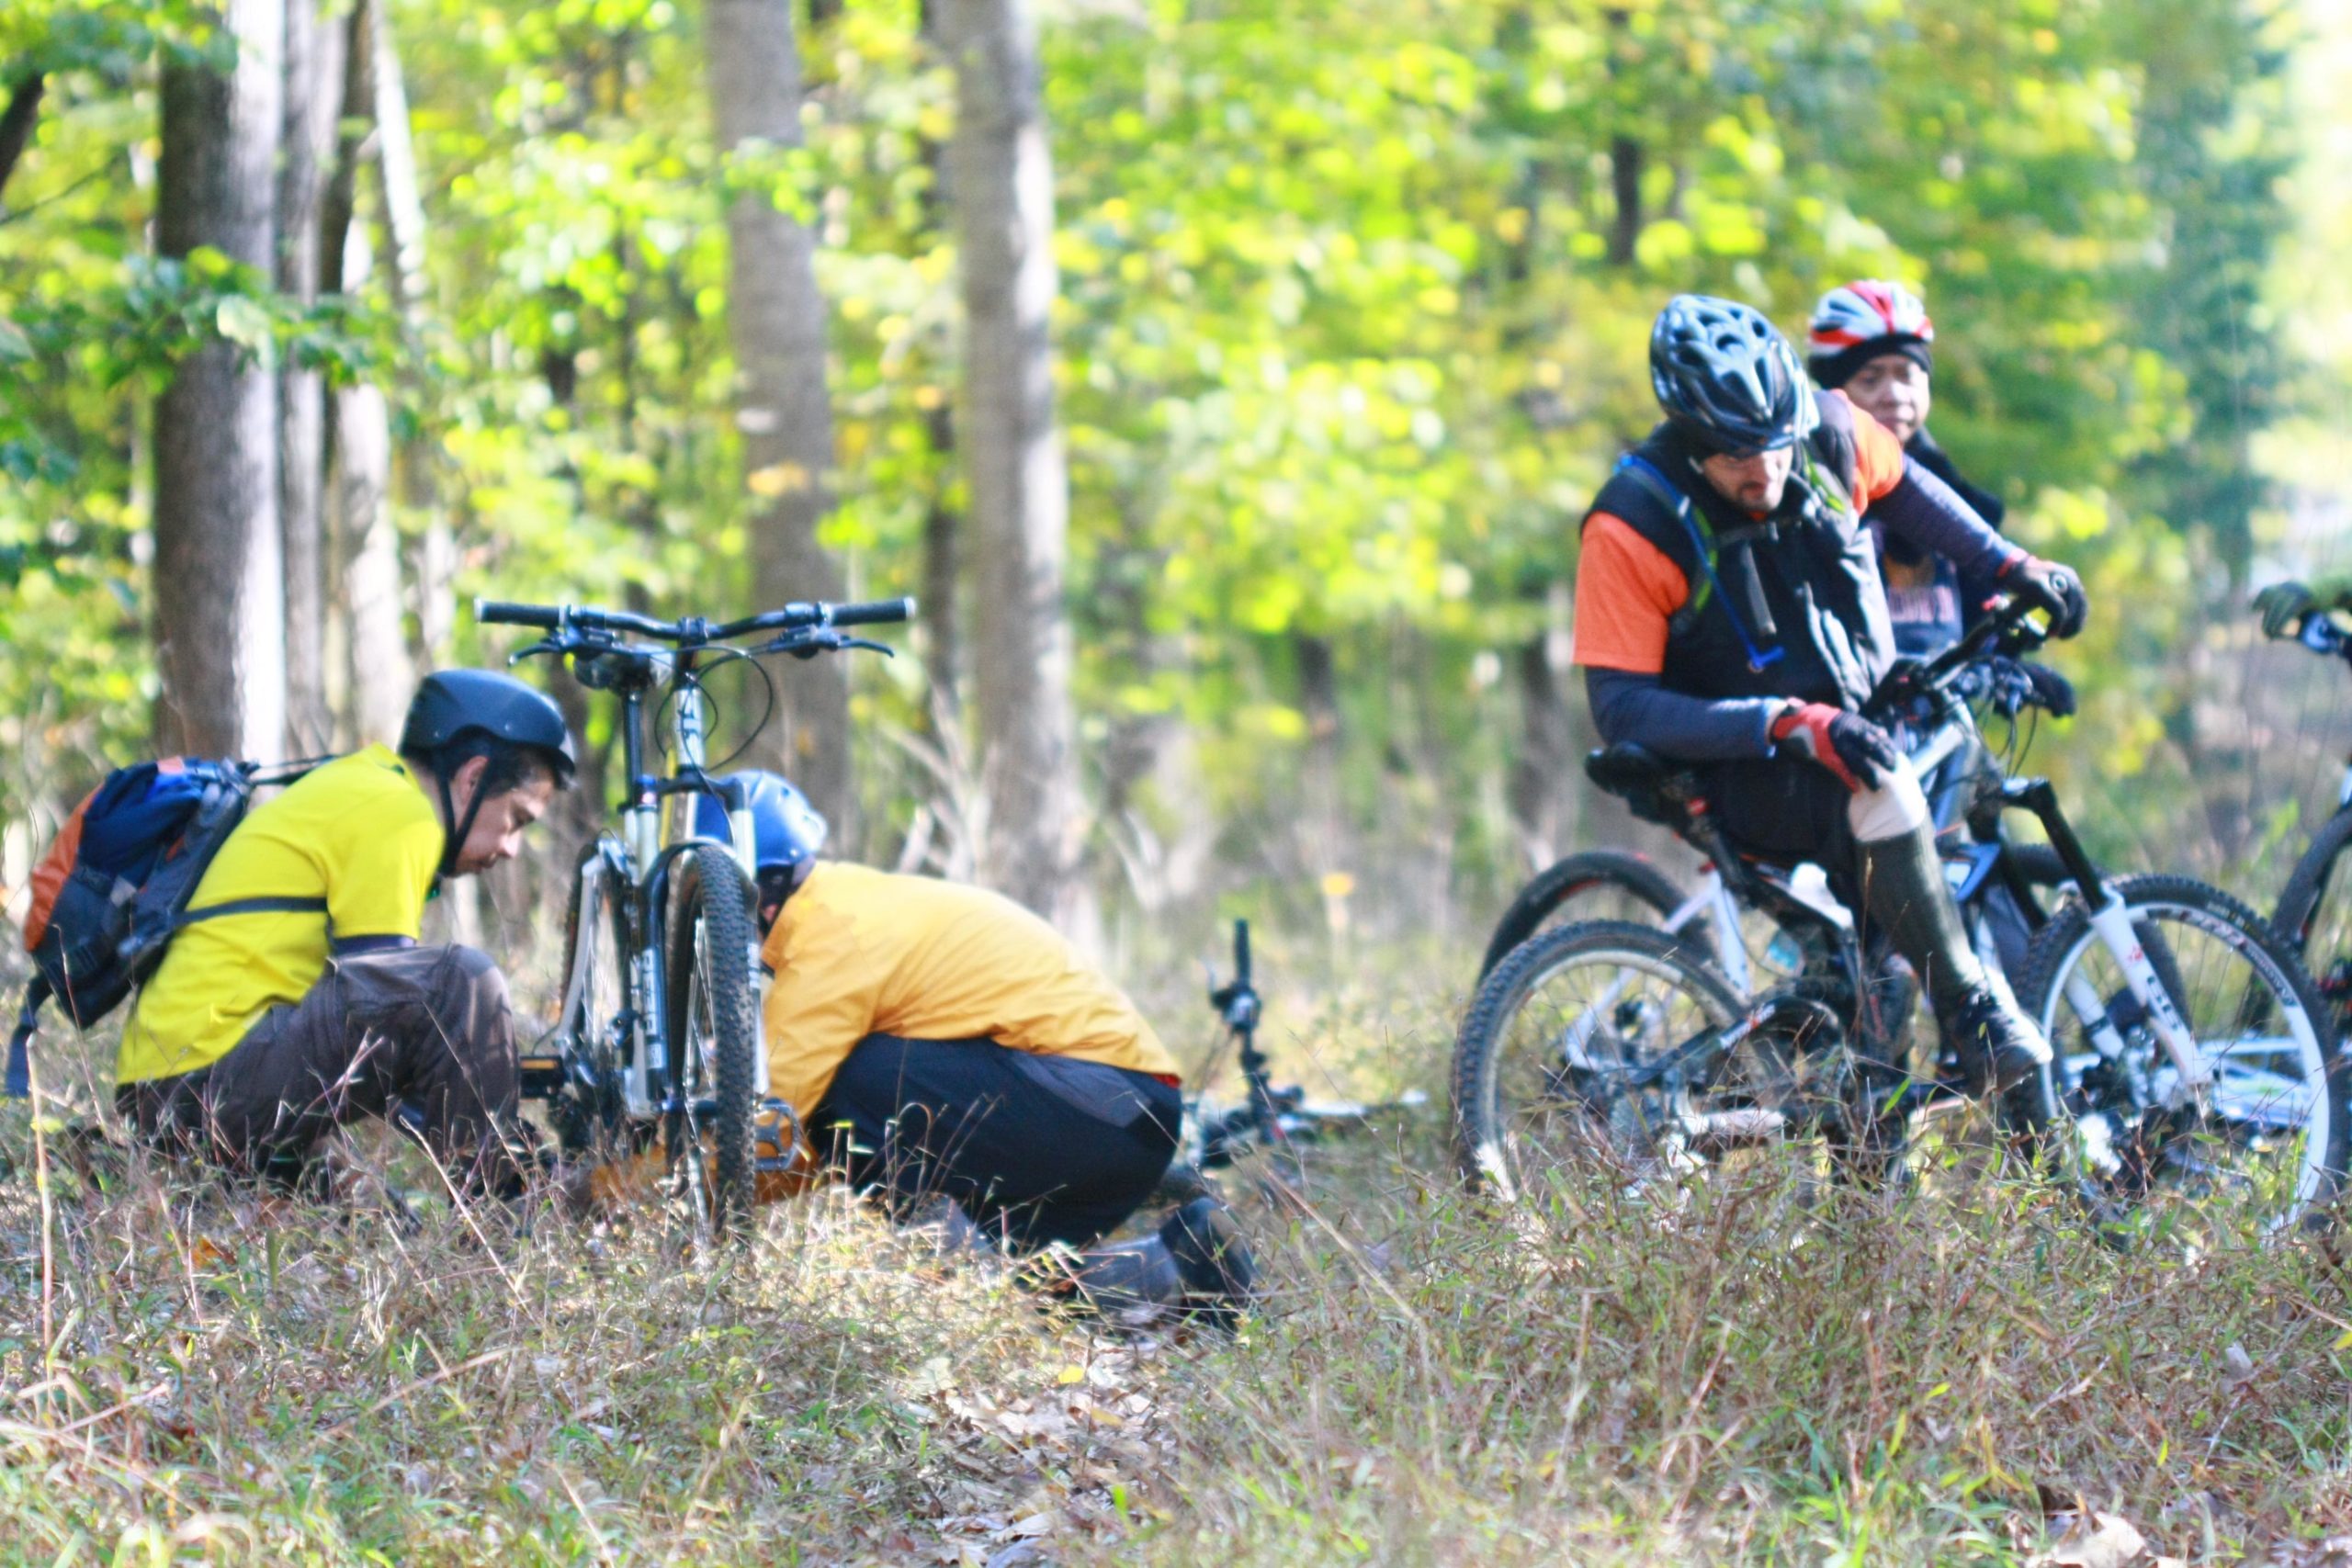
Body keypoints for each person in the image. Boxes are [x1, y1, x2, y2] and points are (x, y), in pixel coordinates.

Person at [1569, 294, 2090, 1138]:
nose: (1766, 472)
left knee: (1874, 977)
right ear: (1689, 436)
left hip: (1847, 731)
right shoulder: (1632, 523)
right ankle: (1972, 1012)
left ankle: (1868, 1212)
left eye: (1775, 444)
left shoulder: (1829, 431)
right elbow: (1620, 704)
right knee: (1880, 793)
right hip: (1738, 765)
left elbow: (1910, 492)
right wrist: (1783, 721)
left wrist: (2011, 562)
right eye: (1738, 455)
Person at [695, 773, 1257, 1322]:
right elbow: (788, 1148)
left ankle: (961, 1292)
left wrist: (664, 1189)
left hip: (1095, 1104)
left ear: (755, 897)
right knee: (1033, 1291)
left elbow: (779, 1123)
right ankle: (1184, 1260)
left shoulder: (829, 931)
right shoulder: (855, 899)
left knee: (852, 1086)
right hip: (1127, 1119)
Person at [116, 671, 577, 1202]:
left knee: (375, 1214)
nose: (512, 848)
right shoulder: (401, 814)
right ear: (473, 777)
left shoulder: (368, 785)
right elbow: (408, 1015)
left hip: (171, 1091)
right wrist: (504, 1139)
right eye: (517, 819)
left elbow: (382, 1039)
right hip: (204, 1089)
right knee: (463, 980)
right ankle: (505, 1207)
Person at [1804, 280, 2074, 717]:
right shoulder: (1808, 498)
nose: (1894, 393)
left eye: (1908, 374)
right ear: (1834, 394)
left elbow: (1980, 614)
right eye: (1871, 377)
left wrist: (2008, 666)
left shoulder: (1960, 501)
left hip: (1941, 730)